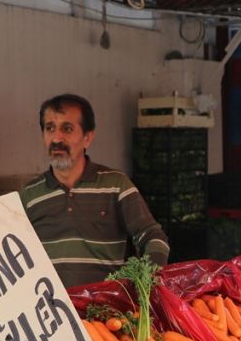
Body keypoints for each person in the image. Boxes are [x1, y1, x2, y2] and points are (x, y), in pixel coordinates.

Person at [20, 94, 170, 288]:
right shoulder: (29, 196)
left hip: (106, 305)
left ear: (87, 138)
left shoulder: (116, 185)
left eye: (67, 128)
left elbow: (152, 236)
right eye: (50, 128)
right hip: (51, 305)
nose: (56, 138)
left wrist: (147, 278)